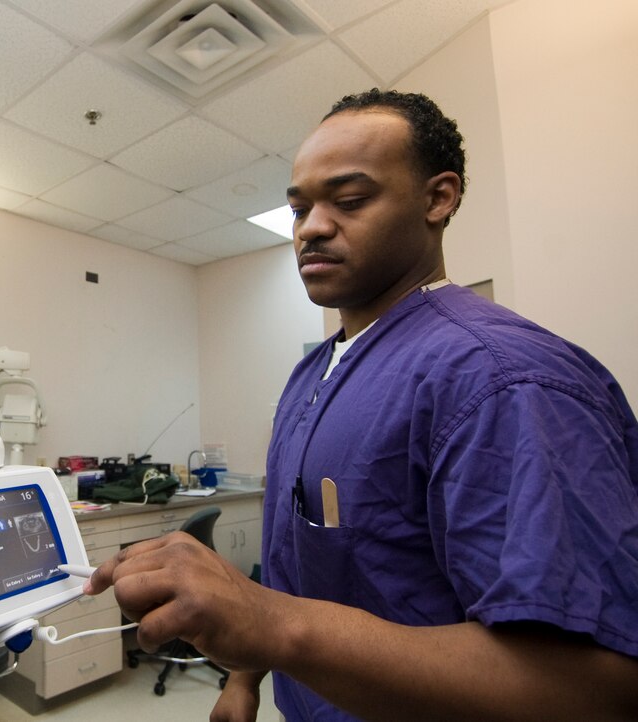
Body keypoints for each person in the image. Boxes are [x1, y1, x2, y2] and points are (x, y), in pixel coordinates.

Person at [86, 89, 638, 722]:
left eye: (349, 201)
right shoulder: (312, 374)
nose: (312, 227)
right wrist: (243, 679)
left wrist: (271, 623)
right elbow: (303, 564)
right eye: (299, 209)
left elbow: (596, 688)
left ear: (439, 198)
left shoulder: (504, 379)